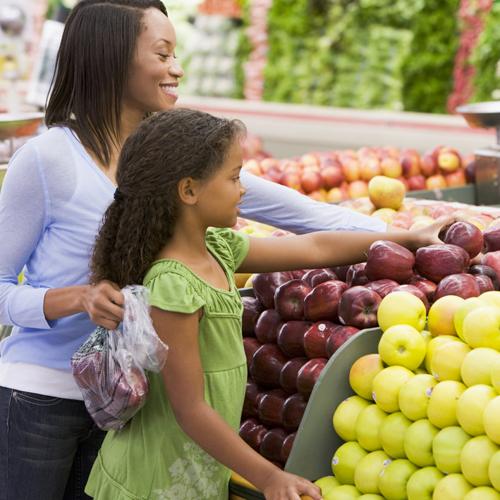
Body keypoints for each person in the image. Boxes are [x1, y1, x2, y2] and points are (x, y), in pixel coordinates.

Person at [0, 1, 381, 499]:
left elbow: (309, 222)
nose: (176, 67)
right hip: (42, 399)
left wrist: (402, 237)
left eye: (176, 52)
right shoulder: (48, 159)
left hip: (131, 409)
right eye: (162, 53)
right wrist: (75, 299)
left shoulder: (175, 157)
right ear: (112, 59)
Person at [85, 108, 451, 500]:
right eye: (233, 177)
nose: (242, 189)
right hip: (148, 484)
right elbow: (189, 409)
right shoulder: (174, 286)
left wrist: (408, 238)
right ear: (189, 190)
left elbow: (314, 246)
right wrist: (269, 477)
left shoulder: (217, 249)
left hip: (193, 475)